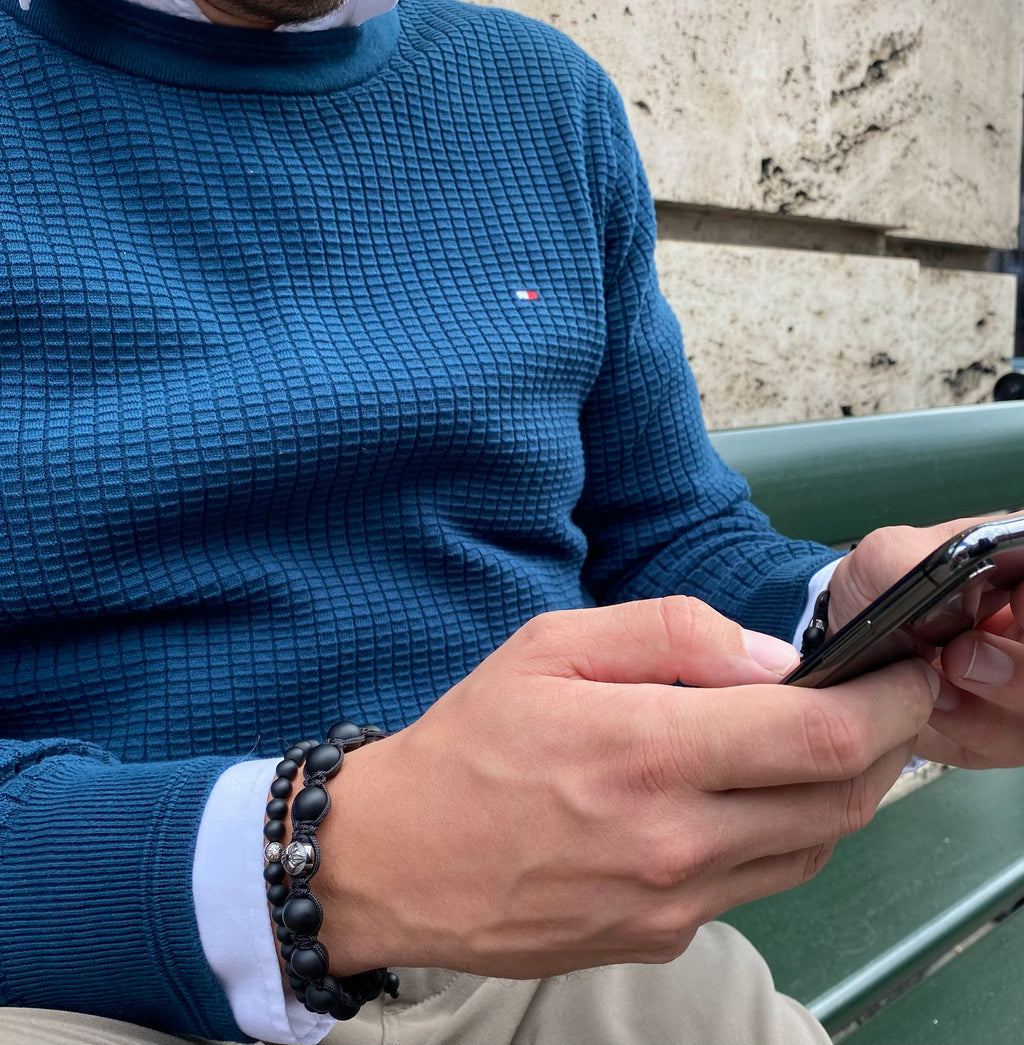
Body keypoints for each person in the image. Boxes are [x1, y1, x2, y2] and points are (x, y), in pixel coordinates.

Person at [0, 0, 1022, 1041]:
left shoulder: (540, 97)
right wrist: (333, 861)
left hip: (567, 960)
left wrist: (840, 617)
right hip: (82, 985)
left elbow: (664, 533)